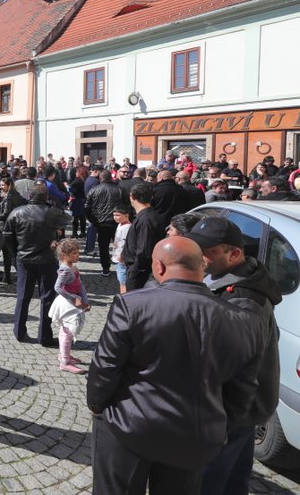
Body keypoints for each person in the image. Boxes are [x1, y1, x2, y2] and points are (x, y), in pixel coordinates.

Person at [87, 237, 263, 494]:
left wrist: (97, 405)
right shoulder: (244, 321)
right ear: (202, 266)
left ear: (158, 267)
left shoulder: (132, 305)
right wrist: (219, 427)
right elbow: (243, 391)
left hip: (129, 426)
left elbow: (105, 367)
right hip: (195, 436)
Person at [186, 217, 282, 494]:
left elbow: (235, 365)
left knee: (210, 481)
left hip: (231, 409)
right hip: (241, 408)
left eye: (207, 250)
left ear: (234, 254)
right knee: (233, 478)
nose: (199, 255)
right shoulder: (229, 276)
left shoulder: (241, 298)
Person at [1, 182, 70, 346]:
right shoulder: (51, 212)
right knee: (46, 297)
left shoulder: (17, 212)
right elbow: (67, 219)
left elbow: (7, 234)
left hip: (26, 259)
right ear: (46, 197)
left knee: (23, 296)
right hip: (45, 260)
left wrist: (15, 253)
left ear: (29, 196)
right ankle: (44, 336)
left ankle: (19, 331)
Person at [47, 239, 90, 374]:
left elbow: (81, 285)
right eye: (74, 253)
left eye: (78, 253)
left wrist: (85, 299)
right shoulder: (65, 269)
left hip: (74, 302)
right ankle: (64, 362)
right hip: (68, 304)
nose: (78, 256)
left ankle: (64, 354)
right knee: (68, 332)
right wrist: (75, 297)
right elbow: (57, 287)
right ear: (64, 256)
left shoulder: (72, 266)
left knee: (65, 331)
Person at [121, 182, 167, 291]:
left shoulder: (146, 220)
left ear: (132, 196)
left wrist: (134, 272)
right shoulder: (146, 217)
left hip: (140, 275)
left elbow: (144, 251)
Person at [84, 170, 128, 278]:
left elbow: (87, 207)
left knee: (103, 246)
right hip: (117, 222)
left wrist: (92, 220)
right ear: (111, 178)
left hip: (101, 223)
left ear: (100, 178)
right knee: (122, 244)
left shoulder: (94, 190)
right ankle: (121, 266)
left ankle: (105, 268)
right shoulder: (120, 190)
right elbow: (128, 205)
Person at [109, 208, 131, 294]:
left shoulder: (126, 227)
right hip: (118, 255)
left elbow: (125, 243)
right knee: (121, 278)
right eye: (114, 215)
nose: (115, 217)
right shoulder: (120, 225)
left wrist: (121, 254)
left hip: (122, 258)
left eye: (118, 215)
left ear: (126, 215)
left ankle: (124, 297)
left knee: (123, 279)